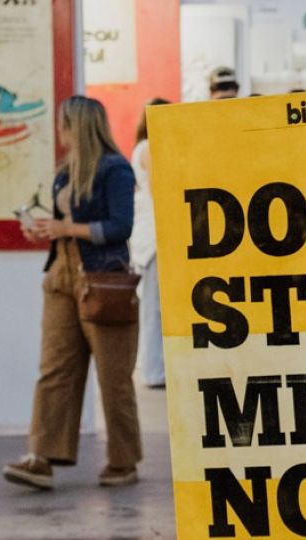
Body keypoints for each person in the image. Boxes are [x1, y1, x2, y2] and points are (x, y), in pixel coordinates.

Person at [2, 96, 140, 490]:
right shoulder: (65, 173)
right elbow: (69, 224)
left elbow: (120, 227)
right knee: (54, 368)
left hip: (102, 280)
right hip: (61, 276)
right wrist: (47, 229)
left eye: (64, 124)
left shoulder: (115, 169)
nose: (59, 132)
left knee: (113, 375)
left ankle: (123, 461)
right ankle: (41, 456)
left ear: (78, 125)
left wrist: (68, 230)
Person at [130, 98, 170, 389]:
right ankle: (153, 369)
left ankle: (151, 365)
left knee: (152, 304)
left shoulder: (141, 148)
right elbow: (161, 189)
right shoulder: (149, 149)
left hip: (148, 232)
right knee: (154, 306)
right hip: (154, 234)